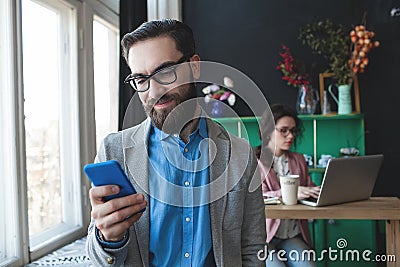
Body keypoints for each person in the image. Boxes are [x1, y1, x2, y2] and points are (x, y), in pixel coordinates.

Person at [85, 19, 266, 266]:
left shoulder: (240, 155)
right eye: (140, 79)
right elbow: (98, 259)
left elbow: (253, 250)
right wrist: (107, 239)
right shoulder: (113, 152)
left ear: (194, 66)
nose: (154, 91)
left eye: (165, 72)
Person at [258, 103, 320, 267]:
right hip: (264, 238)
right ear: (268, 131)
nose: (290, 136)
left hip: (292, 234)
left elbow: (307, 187)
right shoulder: (254, 162)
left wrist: (315, 192)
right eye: (284, 130)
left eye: (293, 131)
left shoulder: (299, 160)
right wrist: (290, 193)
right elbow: (257, 198)